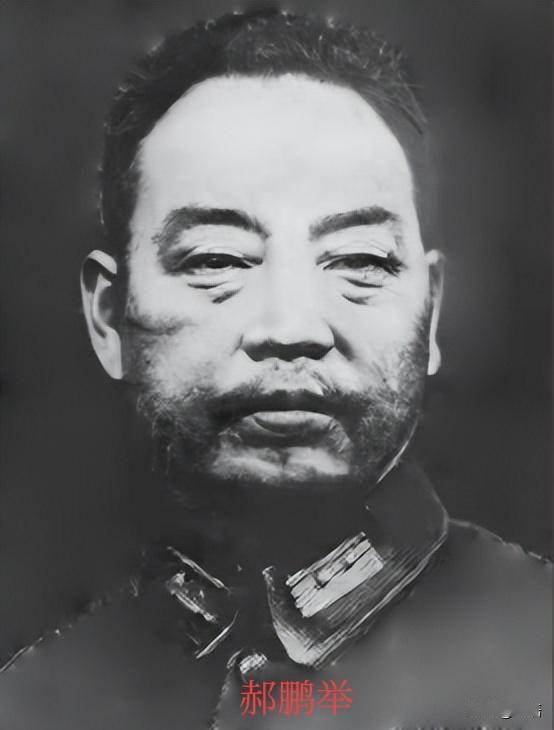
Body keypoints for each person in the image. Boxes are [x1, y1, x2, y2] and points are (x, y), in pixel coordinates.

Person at [0, 9, 550, 729]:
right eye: (217, 259)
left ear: (433, 311)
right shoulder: (31, 705)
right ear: (109, 317)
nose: (291, 328)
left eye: (360, 261)